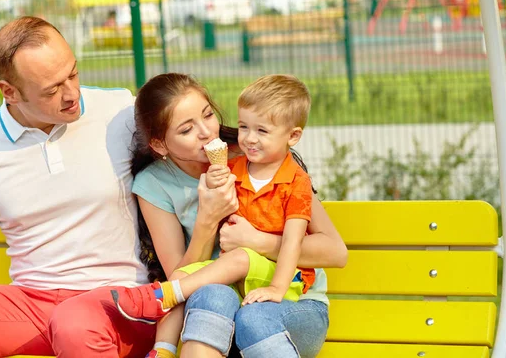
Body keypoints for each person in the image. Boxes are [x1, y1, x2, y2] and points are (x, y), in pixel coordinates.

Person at [0, 17, 241, 358]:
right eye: (52, 89)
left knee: (75, 324)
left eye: (73, 73)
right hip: (32, 305)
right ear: (9, 91)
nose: (72, 94)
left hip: (124, 301)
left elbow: (199, 144)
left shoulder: (120, 111)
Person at [118, 73, 348, 358]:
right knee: (208, 293)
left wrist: (254, 241)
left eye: (208, 115)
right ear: (160, 144)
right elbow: (181, 277)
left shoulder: (257, 156)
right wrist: (207, 219)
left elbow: (336, 253)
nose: (207, 132)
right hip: (224, 309)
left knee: (252, 316)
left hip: (290, 303)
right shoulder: (154, 185)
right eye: (187, 129)